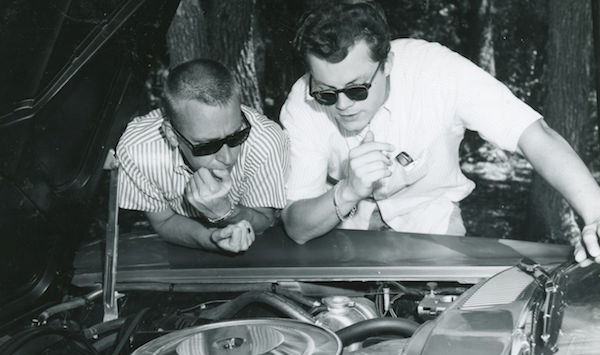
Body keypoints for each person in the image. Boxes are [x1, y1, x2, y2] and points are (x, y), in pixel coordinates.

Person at [280, 0, 600, 265]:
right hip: (340, 229)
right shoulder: (301, 103)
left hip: (430, 220)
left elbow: (534, 135)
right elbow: (297, 226)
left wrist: (596, 213)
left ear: (388, 63)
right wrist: (348, 190)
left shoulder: (436, 72)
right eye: (326, 93)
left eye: (357, 89)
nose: (343, 105)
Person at [116, 59, 289, 253]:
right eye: (208, 146)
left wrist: (226, 212)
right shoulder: (138, 150)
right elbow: (164, 221)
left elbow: (265, 220)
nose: (227, 157)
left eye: (237, 136)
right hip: (179, 250)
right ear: (171, 135)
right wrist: (213, 239)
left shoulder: (266, 140)